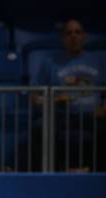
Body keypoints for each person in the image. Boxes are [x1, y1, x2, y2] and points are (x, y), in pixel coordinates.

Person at [32, 19, 106, 171]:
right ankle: (49, 177)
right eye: (68, 33)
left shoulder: (100, 59)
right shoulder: (49, 62)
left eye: (77, 32)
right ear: (62, 38)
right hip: (61, 115)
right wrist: (55, 100)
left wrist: (104, 108)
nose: (73, 36)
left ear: (84, 36)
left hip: (92, 115)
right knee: (39, 127)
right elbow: (34, 97)